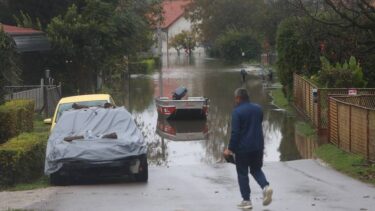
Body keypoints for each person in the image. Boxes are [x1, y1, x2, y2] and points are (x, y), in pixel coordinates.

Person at [224, 88, 273, 209]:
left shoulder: (237, 112)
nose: (235, 100)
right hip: (258, 146)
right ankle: (266, 187)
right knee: (256, 169)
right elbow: (258, 123)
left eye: (235, 98)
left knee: (242, 173)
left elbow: (235, 133)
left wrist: (230, 149)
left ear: (238, 98)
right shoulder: (258, 109)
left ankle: (246, 201)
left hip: (243, 149)